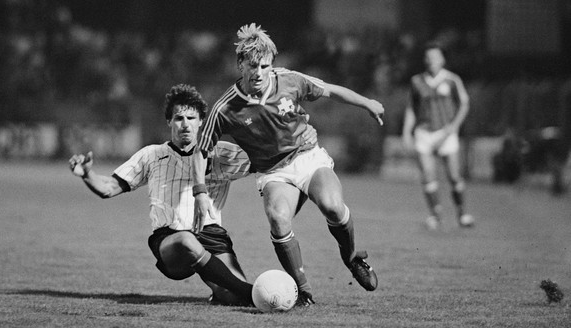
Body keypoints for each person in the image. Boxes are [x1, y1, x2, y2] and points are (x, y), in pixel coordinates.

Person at [69, 84, 318, 306]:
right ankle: (254, 292)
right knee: (188, 242)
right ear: (169, 122)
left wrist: (300, 137)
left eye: (191, 117)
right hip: (171, 241)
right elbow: (109, 187)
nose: (185, 123)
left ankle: (228, 292)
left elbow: (271, 160)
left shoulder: (222, 154)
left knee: (231, 297)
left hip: (212, 236)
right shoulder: (151, 155)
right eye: (178, 118)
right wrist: (87, 174)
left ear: (201, 122)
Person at [192, 23, 384, 306]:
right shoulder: (226, 108)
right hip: (274, 172)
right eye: (252, 65)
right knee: (278, 219)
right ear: (240, 65)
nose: (258, 72)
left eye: (264, 66)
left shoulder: (290, 80)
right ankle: (303, 291)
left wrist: (367, 102)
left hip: (308, 157)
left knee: (332, 206)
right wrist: (199, 192)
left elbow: (329, 90)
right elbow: (201, 150)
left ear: (272, 65)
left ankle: (353, 258)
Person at [402, 43, 474, 230]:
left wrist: (454, 126)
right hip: (424, 132)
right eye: (428, 57)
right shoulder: (416, 81)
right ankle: (435, 215)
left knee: (454, 175)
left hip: (446, 131)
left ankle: (462, 213)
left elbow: (464, 104)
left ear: (442, 60)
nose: (431, 61)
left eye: (435, 57)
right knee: (427, 174)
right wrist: (406, 131)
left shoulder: (452, 80)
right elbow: (412, 108)